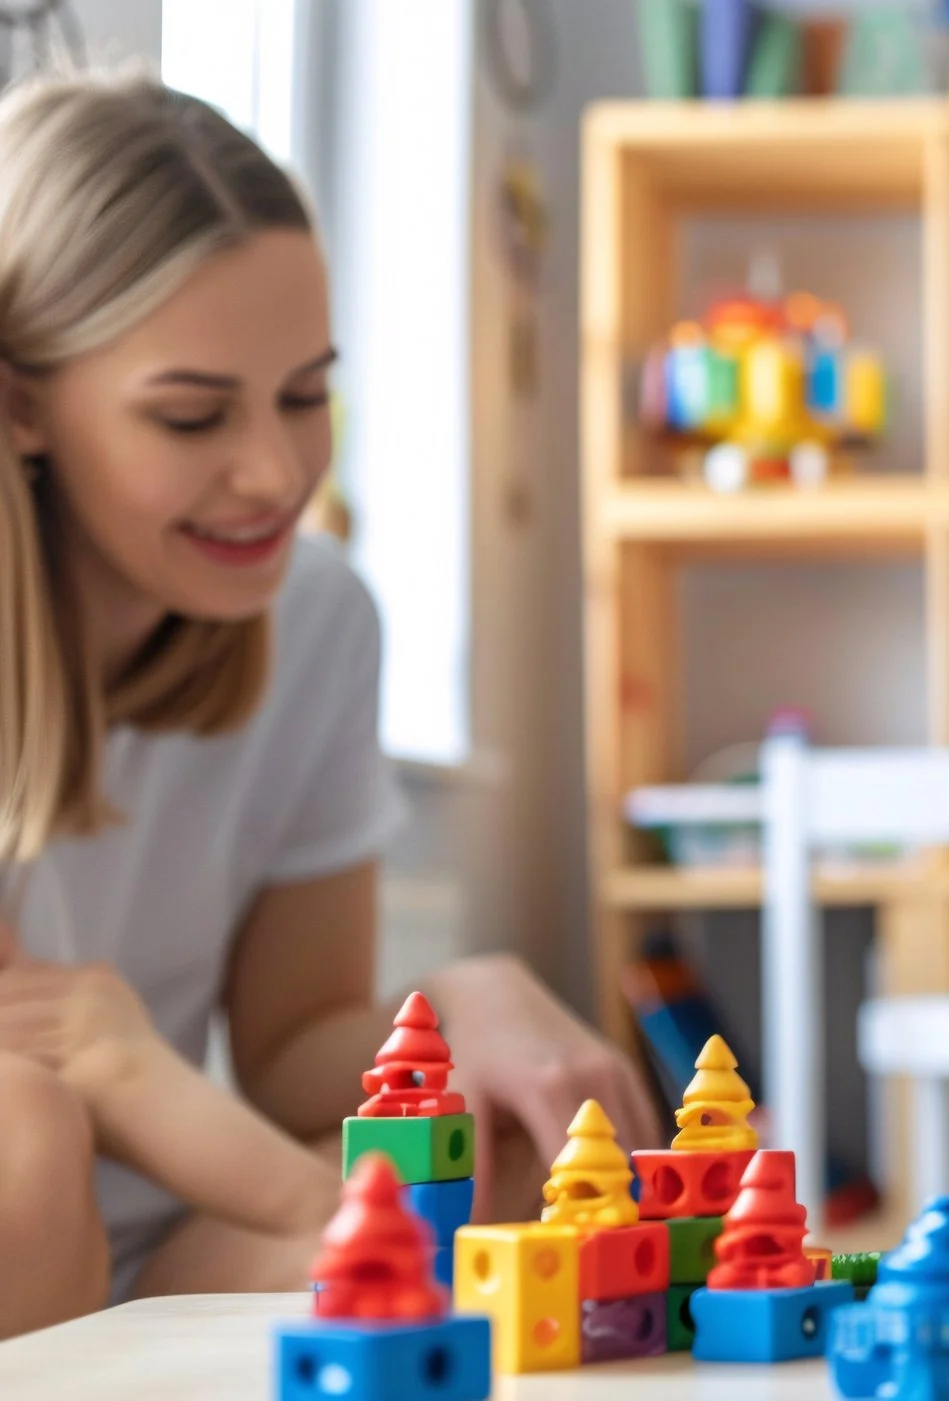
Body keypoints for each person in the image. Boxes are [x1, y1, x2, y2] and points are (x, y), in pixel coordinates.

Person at [0, 71, 659, 1338]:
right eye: (191, 416)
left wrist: (462, 1000)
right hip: (37, 1211)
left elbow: (296, 1034)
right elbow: (62, 1086)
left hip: (182, 1207)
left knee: (490, 1134)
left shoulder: (314, 618)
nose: (274, 474)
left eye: (306, 395)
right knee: (26, 1134)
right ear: (24, 406)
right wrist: (146, 1085)